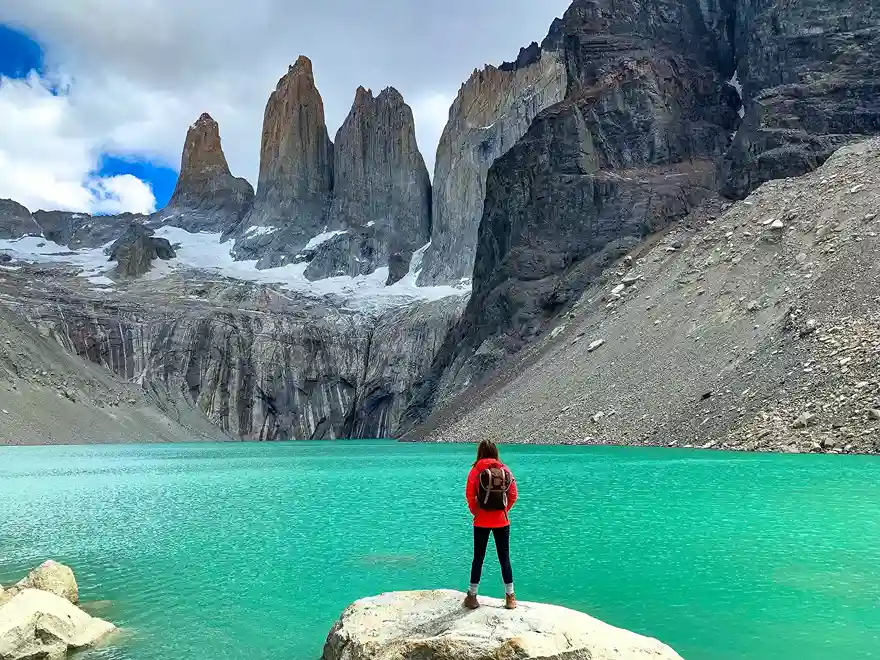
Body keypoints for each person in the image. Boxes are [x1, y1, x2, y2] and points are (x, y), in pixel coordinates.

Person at [464, 439, 518, 610]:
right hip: (502, 521)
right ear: (495, 452)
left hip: (481, 521)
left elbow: (470, 495)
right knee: (504, 559)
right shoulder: (504, 469)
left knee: (478, 558)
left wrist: (477, 512)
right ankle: (510, 598)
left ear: (479, 452)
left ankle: (472, 597)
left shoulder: (476, 470)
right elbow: (513, 495)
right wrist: (503, 511)